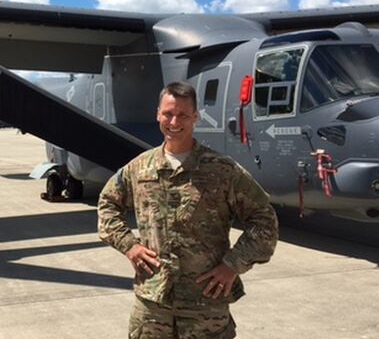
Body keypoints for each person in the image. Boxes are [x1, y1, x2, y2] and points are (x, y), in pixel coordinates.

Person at [98, 81, 278, 338]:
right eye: (168, 114)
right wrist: (130, 245)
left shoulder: (222, 170)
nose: (174, 122)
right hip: (153, 306)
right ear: (158, 114)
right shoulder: (138, 168)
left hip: (205, 305)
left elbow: (264, 219)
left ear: (195, 117)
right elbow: (107, 205)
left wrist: (233, 265)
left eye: (183, 114)